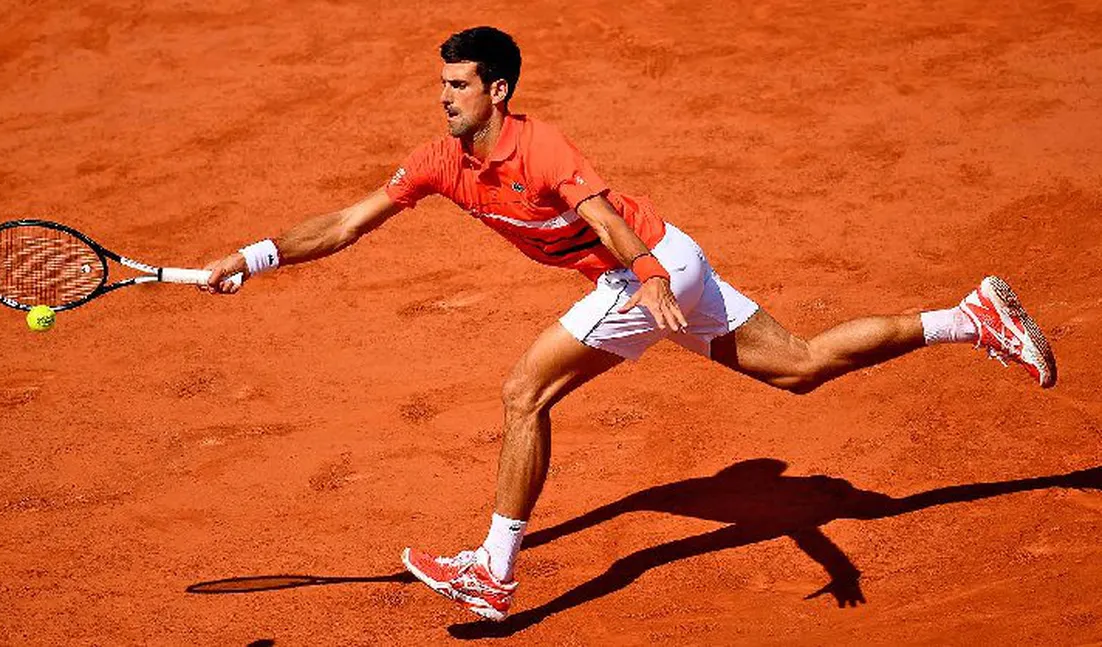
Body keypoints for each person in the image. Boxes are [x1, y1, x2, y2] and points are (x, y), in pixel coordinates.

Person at [203, 26, 1057, 622]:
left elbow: (606, 218)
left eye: (458, 86)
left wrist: (645, 277)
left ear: (497, 90)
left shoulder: (542, 149)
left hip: (645, 265)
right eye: (440, 86)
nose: (444, 99)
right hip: (662, 264)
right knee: (798, 366)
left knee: (523, 390)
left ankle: (493, 574)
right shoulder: (437, 163)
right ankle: (968, 315)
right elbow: (347, 223)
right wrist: (256, 253)